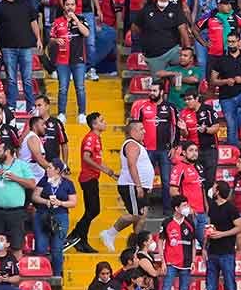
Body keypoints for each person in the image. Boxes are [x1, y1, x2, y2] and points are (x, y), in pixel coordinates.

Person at [100, 121, 155, 250]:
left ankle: (135, 245)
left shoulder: (137, 145)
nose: (144, 131)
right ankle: (110, 233)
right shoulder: (131, 144)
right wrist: (138, 186)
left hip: (140, 185)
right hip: (132, 185)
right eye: (141, 129)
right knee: (137, 215)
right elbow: (131, 165)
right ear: (133, 131)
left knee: (142, 215)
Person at [0, 0, 41, 112]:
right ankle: (11, 106)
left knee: (27, 79)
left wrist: (39, 39)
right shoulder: (0, 7)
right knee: (11, 79)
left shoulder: (26, 5)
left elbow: (33, 22)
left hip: (25, 47)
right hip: (7, 47)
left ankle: (31, 106)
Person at [67, 113, 114, 253]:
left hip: (92, 177)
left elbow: (96, 159)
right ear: (94, 124)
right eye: (101, 120)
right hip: (88, 178)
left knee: (91, 210)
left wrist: (109, 172)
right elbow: (86, 157)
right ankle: (75, 235)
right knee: (94, 210)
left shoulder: (97, 138)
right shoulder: (91, 138)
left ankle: (81, 240)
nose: (105, 122)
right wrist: (103, 169)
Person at [131, 83, 178, 215]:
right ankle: (143, 207)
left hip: (164, 150)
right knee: (145, 180)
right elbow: (136, 128)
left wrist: (174, 146)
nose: (151, 92)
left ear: (162, 92)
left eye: (154, 90)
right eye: (150, 90)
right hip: (147, 151)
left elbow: (175, 128)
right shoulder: (142, 107)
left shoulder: (170, 108)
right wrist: (140, 147)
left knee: (166, 181)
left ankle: (168, 209)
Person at [0, 142, 36, 257]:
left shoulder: (22, 165)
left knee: (17, 244)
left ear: (7, 151)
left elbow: (32, 184)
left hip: (16, 212)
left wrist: (15, 178)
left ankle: (15, 271)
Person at [132, 0, 191, 74]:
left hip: (173, 51)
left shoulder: (176, 10)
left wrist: (188, 48)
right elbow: (135, 28)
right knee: (158, 83)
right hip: (154, 55)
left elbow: (183, 30)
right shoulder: (146, 10)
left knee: (179, 76)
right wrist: (147, 36)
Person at [32, 160, 77, 278]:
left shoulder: (68, 184)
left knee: (57, 248)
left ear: (57, 170)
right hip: (43, 214)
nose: (47, 169)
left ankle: (56, 276)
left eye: (50, 167)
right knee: (40, 247)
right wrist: (45, 201)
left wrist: (60, 203)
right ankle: (40, 276)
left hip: (60, 216)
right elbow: (35, 196)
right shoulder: (43, 180)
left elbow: (73, 202)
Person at [50, 0, 90, 122]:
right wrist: (56, 40)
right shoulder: (57, 21)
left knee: (80, 87)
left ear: (75, 6)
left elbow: (87, 33)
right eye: (67, 4)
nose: (70, 7)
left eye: (72, 4)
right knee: (62, 87)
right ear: (64, 6)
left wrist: (76, 21)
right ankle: (61, 114)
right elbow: (50, 39)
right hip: (62, 60)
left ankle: (82, 114)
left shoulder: (81, 19)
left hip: (78, 59)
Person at [205, 181, 241, 290]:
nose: (212, 190)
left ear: (218, 191)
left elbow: (239, 227)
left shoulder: (231, 208)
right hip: (213, 251)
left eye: (214, 188)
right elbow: (209, 226)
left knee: (230, 285)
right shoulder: (212, 206)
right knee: (210, 286)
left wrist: (222, 234)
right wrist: (205, 246)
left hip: (227, 252)